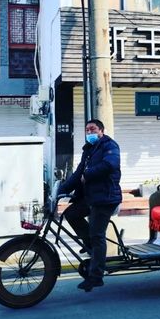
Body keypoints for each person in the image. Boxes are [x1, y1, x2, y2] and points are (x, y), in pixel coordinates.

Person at [59, 119, 122, 291]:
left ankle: (96, 277)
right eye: (87, 130)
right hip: (91, 196)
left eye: (92, 129)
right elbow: (78, 173)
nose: (89, 132)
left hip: (106, 197)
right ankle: (90, 247)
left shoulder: (109, 145)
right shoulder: (88, 150)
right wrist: (61, 190)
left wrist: (88, 175)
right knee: (71, 214)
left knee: (97, 235)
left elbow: (111, 164)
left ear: (101, 131)